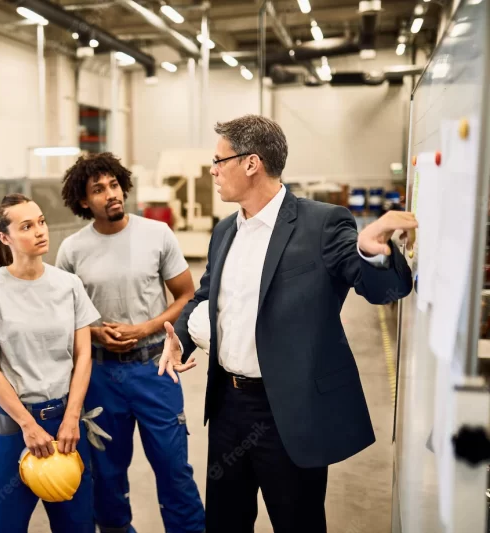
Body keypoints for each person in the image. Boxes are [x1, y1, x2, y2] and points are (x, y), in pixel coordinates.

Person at [158, 114, 417, 533]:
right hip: (227, 404)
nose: (212, 170)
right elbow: (207, 296)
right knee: (225, 521)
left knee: (298, 522)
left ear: (251, 163)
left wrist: (375, 253)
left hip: (287, 411)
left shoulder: (322, 223)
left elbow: (380, 291)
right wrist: (181, 339)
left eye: (219, 159)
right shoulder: (226, 230)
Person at [55, 152, 205, 533]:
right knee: (106, 474)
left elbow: (186, 296)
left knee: (174, 467)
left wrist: (144, 328)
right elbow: (63, 315)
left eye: (115, 185)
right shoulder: (72, 250)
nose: (112, 194)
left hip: (154, 367)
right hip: (100, 375)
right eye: (99, 189)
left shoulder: (157, 234)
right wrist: (93, 331)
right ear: (84, 201)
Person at [0, 194, 100, 533]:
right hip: (13, 429)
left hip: (65, 423)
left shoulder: (69, 285)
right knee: (8, 525)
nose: (40, 231)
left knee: (77, 524)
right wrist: (27, 425)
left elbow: (83, 356)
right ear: (5, 238)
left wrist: (70, 419)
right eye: (26, 226)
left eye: (40, 221)